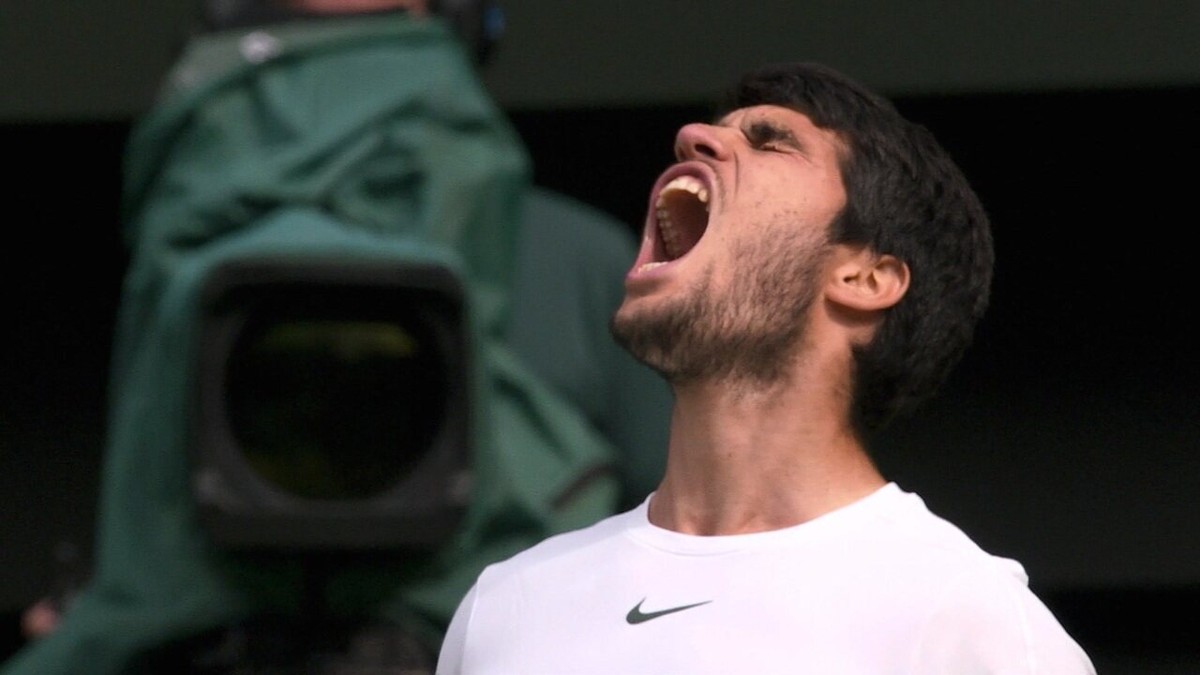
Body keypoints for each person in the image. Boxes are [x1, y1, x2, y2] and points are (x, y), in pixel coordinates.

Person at [435, 61, 1097, 673]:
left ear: (864, 275)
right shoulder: (505, 605)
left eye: (772, 142)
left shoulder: (970, 622)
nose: (692, 138)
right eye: (714, 131)